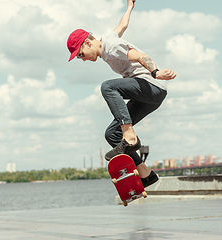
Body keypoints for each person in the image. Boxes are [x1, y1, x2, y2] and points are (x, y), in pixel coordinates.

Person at [67, 0, 176, 188]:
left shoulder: (111, 48)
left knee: (108, 87)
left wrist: (155, 72)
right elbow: (122, 25)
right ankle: (146, 174)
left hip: (152, 85)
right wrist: (129, 7)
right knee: (111, 134)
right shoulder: (109, 40)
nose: (82, 59)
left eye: (80, 54)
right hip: (148, 97)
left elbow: (139, 56)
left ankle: (129, 135)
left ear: (87, 42)